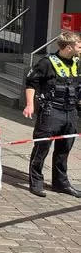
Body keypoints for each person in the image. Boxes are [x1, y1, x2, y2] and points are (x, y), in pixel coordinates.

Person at [24, 31, 81, 197]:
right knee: (42, 148)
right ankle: (36, 183)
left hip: (70, 112)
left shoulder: (77, 62)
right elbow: (31, 83)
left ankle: (60, 183)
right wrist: (29, 105)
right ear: (69, 47)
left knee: (64, 149)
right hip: (51, 112)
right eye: (79, 45)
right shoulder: (46, 63)